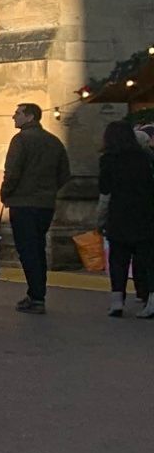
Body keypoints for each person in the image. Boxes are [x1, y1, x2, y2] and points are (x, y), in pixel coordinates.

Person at [0, 102, 70, 313]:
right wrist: (50, 190)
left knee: (27, 249)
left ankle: (36, 295)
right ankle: (36, 293)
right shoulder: (53, 141)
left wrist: (6, 193)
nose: (13, 117)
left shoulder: (21, 140)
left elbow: (12, 171)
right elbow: (65, 173)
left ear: (30, 117)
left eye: (17, 113)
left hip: (23, 203)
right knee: (38, 247)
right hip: (45, 203)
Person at [97, 119, 154, 318]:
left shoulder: (108, 159)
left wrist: (100, 218)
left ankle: (117, 301)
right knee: (148, 260)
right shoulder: (146, 157)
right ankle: (151, 301)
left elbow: (104, 189)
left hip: (119, 214)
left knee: (118, 259)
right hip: (146, 214)